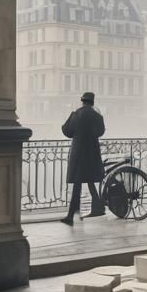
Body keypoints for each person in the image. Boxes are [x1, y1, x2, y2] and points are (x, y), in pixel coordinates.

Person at [60, 90, 106, 225]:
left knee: (78, 184)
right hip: (91, 152)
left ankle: (70, 216)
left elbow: (66, 131)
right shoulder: (97, 115)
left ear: (82, 101)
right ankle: (97, 207)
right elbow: (101, 132)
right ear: (92, 102)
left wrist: (72, 114)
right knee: (89, 179)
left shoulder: (77, 114)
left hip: (79, 153)